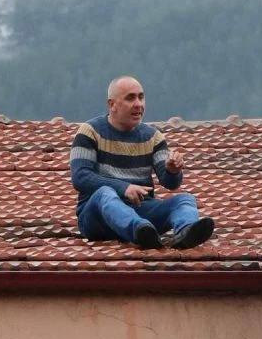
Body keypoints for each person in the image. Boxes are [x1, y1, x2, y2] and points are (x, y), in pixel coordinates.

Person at [69, 76, 215, 249]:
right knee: (105, 193)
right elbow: (80, 177)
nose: (138, 104)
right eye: (130, 98)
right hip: (98, 217)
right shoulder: (90, 131)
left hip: (141, 210)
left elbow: (170, 183)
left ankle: (186, 231)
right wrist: (123, 188)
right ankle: (139, 231)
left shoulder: (153, 137)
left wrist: (173, 170)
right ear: (112, 105)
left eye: (141, 97)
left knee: (185, 199)